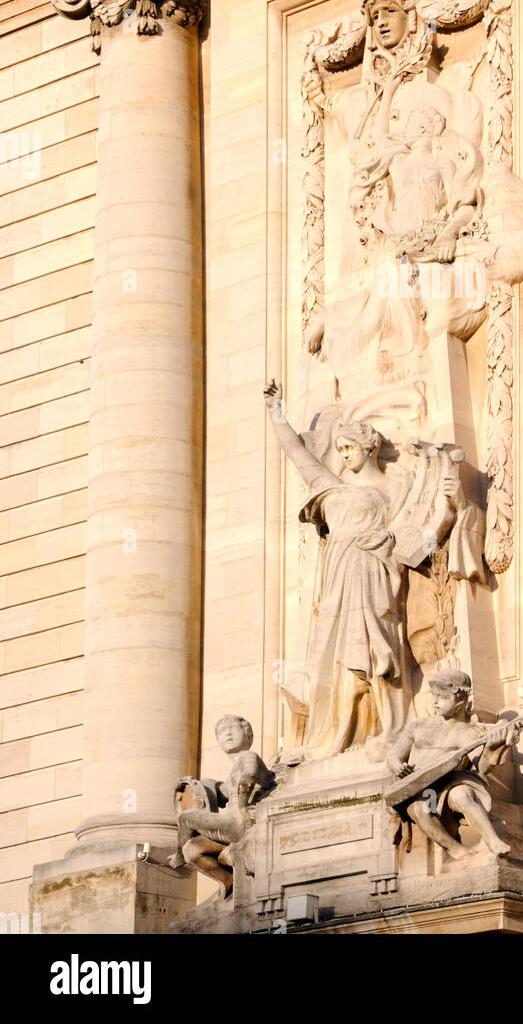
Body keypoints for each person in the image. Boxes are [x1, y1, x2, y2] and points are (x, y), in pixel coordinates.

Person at [264, 383, 407, 757]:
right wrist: (276, 412)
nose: (344, 457)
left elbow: (417, 532)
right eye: (340, 450)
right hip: (338, 577)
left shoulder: (395, 488)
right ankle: (330, 735)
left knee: (372, 653)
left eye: (349, 449)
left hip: (373, 573)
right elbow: (297, 454)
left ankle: (385, 728)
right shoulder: (332, 486)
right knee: (328, 655)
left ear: (369, 447)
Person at [386, 668, 520, 858]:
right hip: (425, 789)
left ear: (460, 700)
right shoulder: (418, 726)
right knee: (421, 808)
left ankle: (493, 840)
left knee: (462, 795)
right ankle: (456, 850)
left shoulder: (469, 732)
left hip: (449, 784)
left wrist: (492, 746)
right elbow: (393, 756)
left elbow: (481, 769)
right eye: (434, 695)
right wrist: (399, 767)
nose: (434, 701)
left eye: (441, 697)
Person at [168, 715, 272, 899]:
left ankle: (177, 855)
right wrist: (195, 787)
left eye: (233, 728)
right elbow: (222, 793)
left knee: (185, 818)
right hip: (231, 824)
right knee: (192, 850)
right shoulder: (234, 769)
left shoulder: (249, 756)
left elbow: (249, 776)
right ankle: (229, 882)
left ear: (248, 735)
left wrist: (241, 805)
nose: (228, 733)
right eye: (223, 731)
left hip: (242, 821)